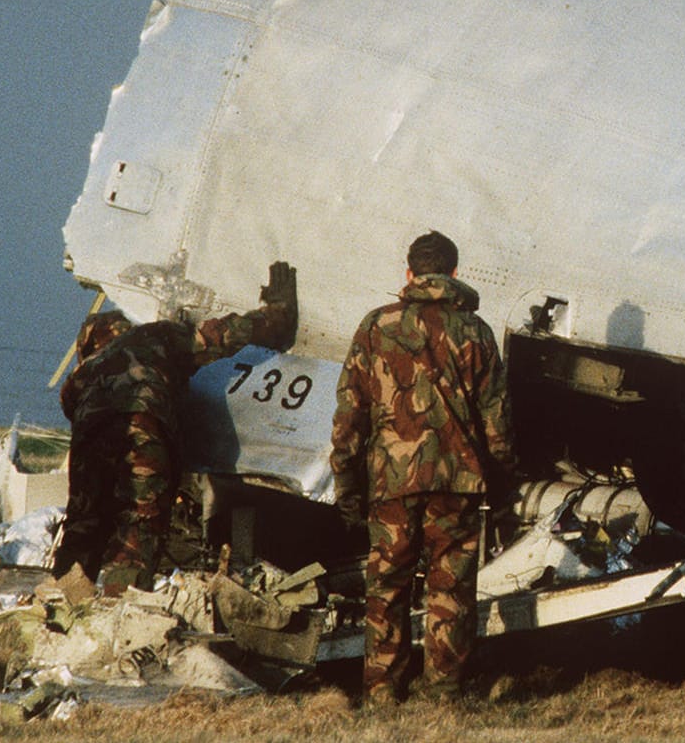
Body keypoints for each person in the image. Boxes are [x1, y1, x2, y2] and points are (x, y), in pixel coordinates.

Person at [331, 231, 515, 705]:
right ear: (454, 273)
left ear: (408, 273)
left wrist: (347, 488)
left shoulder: (376, 326)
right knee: (450, 588)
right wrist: (503, 483)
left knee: (387, 585)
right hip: (458, 482)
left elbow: (349, 416)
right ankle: (443, 692)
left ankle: (381, 692)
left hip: (392, 482)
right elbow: (497, 421)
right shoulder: (476, 331)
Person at [55, 261, 298, 595]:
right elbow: (222, 334)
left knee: (82, 526)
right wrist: (277, 314)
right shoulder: (153, 336)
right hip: (143, 428)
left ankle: (60, 612)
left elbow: (71, 408)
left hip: (90, 436)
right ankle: (118, 614)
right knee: (137, 531)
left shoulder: (83, 371)